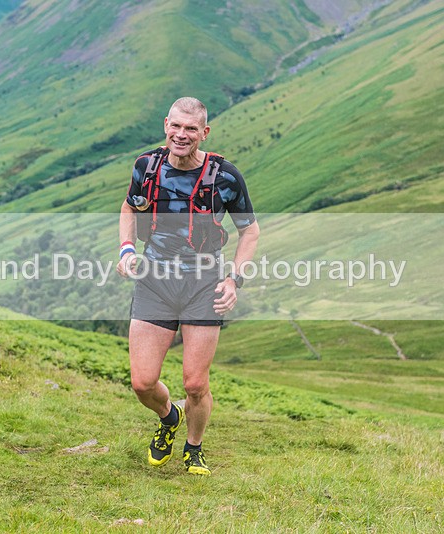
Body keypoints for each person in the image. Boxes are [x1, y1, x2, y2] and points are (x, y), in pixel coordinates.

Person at [116, 97, 260, 476]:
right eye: (176, 127)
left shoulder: (225, 177)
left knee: (195, 382)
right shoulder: (146, 166)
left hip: (203, 285)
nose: (182, 135)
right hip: (155, 281)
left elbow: (250, 231)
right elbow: (130, 207)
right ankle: (169, 416)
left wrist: (235, 279)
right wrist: (127, 249)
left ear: (204, 133)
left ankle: (193, 448)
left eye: (191, 129)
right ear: (166, 125)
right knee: (142, 382)